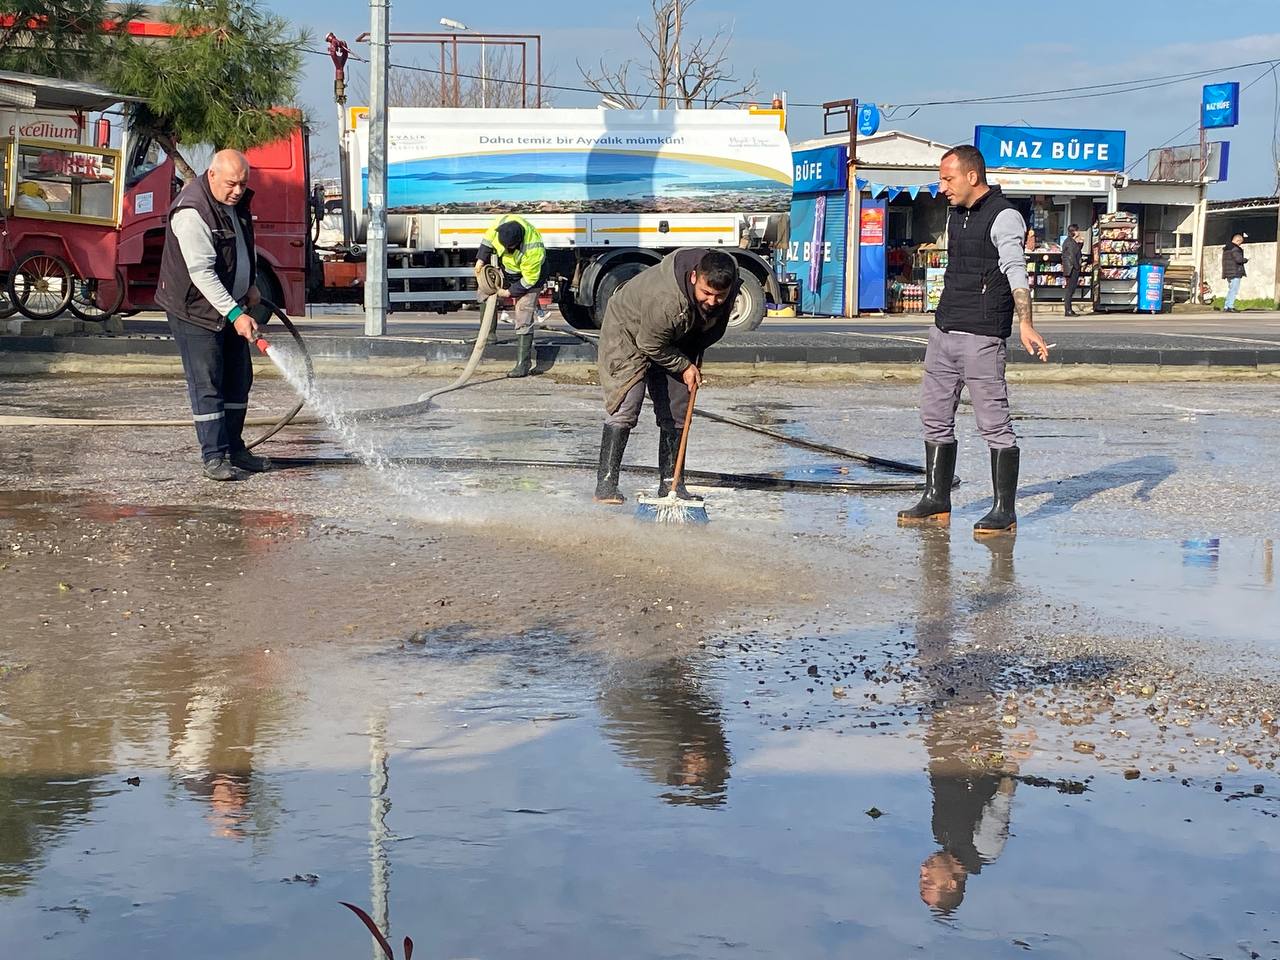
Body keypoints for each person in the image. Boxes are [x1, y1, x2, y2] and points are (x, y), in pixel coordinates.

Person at [898, 145, 1049, 535]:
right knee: (934, 418)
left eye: (947, 179)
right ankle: (936, 498)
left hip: (982, 337)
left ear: (971, 176)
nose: (941, 186)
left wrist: (1026, 324)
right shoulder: (955, 216)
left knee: (994, 424)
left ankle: (1004, 510)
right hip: (944, 330)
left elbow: (1016, 272)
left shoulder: (1005, 217)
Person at [593, 249, 739, 505]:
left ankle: (671, 483)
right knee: (627, 403)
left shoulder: (727, 277)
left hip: (676, 336)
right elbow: (649, 342)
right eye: (706, 293)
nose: (713, 301)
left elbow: (710, 321)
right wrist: (683, 365)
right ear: (694, 277)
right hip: (628, 331)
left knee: (678, 408)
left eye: (720, 296)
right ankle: (606, 484)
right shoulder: (667, 300)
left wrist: (695, 348)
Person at [157, 150, 266, 482]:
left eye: (243, 184)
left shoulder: (233, 203)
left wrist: (250, 285)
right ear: (212, 175)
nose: (237, 190)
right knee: (208, 383)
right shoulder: (192, 212)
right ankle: (214, 456)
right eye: (231, 183)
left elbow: (242, 248)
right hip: (195, 311)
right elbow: (202, 274)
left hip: (230, 304)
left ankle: (235, 448)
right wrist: (235, 313)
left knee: (238, 378)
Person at [474, 214, 546, 377]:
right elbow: (488, 239)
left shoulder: (533, 250)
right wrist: (480, 260)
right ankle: (488, 335)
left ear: (517, 243)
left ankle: (523, 363)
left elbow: (529, 280)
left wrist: (508, 292)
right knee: (484, 291)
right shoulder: (502, 225)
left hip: (528, 278)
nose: (505, 249)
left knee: (523, 313)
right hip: (508, 271)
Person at [1221, 232, 1248, 312]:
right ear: (1238, 240)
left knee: (1231, 289)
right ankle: (1230, 306)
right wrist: (1245, 260)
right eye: (1240, 242)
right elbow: (1238, 260)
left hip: (1228, 272)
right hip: (1235, 272)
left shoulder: (1227, 248)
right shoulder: (1235, 249)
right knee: (1234, 290)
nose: (1240, 244)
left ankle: (1226, 306)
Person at [1061, 224, 1083, 316]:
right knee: (1070, 289)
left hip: (1071, 267)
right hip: (1071, 268)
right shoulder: (1069, 242)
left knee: (1071, 289)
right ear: (1073, 231)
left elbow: (1076, 251)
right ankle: (1068, 310)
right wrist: (1077, 267)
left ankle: (1069, 309)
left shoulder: (1071, 241)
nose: (1079, 232)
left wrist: (1081, 243)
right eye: (1077, 230)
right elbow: (1072, 256)